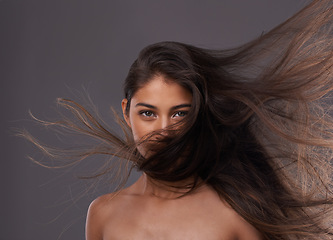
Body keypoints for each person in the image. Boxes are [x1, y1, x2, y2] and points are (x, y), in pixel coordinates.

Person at [24, 0, 333, 239]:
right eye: (147, 113)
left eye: (180, 114)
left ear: (199, 116)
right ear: (125, 112)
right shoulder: (103, 214)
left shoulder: (234, 215)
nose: (163, 130)